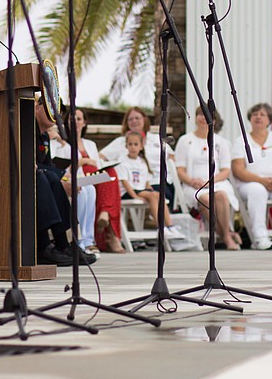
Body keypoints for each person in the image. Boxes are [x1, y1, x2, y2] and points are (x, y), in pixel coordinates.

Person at [52, 108, 123, 255]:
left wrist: (84, 162)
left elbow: (97, 165)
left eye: (79, 119)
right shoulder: (62, 143)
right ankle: (105, 217)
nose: (75, 122)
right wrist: (83, 161)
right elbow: (63, 167)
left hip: (92, 179)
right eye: (72, 118)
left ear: (84, 123)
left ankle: (98, 224)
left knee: (111, 175)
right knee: (98, 183)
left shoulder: (90, 144)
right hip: (73, 179)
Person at [35, 97, 96, 266]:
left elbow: (47, 165)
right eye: (48, 108)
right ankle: (48, 245)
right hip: (24, 182)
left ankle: (67, 243)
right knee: (49, 178)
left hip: (41, 179)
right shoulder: (27, 130)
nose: (54, 114)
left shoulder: (43, 136)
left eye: (57, 111)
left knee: (54, 178)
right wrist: (62, 177)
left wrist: (64, 178)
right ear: (37, 108)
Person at [175, 105, 241, 250]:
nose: (203, 118)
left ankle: (224, 235)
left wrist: (210, 181)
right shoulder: (185, 140)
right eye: (200, 115)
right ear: (196, 118)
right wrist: (192, 181)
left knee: (222, 196)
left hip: (216, 182)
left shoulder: (221, 142)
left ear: (214, 120)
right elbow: (179, 170)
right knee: (205, 199)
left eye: (207, 115)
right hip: (193, 185)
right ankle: (226, 235)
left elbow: (225, 170)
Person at [231, 102, 272, 250]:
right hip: (251, 183)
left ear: (269, 120)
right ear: (250, 118)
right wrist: (261, 180)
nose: (258, 117)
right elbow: (238, 169)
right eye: (255, 114)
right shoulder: (241, 141)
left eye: (262, 114)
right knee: (257, 190)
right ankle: (260, 238)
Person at [100, 106, 175, 208]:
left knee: (170, 194)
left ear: (144, 119)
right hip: (139, 184)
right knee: (162, 196)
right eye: (130, 119)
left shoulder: (156, 139)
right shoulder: (121, 142)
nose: (134, 121)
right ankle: (162, 223)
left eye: (137, 118)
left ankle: (166, 223)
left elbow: (171, 155)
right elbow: (100, 157)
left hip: (162, 179)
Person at [116, 131, 183, 239]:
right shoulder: (123, 161)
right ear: (126, 146)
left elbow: (146, 181)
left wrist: (149, 190)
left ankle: (170, 226)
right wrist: (135, 196)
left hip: (141, 190)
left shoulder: (142, 161)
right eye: (130, 144)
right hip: (129, 192)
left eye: (136, 144)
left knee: (158, 195)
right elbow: (125, 182)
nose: (133, 147)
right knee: (153, 196)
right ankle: (160, 227)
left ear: (141, 146)